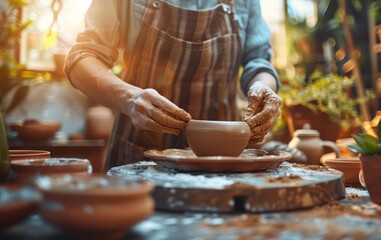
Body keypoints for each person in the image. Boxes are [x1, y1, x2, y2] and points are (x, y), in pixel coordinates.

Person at [65, 0, 282, 171]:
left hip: (222, 160)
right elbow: (83, 57)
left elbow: (258, 61)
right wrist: (129, 98)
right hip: (139, 157)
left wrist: (264, 87)